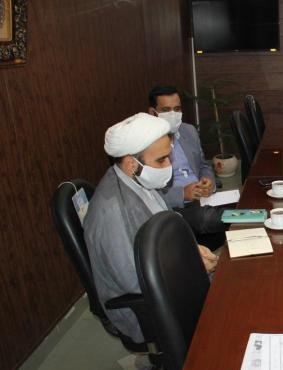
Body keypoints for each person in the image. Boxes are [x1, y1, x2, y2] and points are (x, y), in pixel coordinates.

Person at [83, 113, 218, 343]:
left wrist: (191, 250)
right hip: (149, 308)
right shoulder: (113, 212)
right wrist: (192, 267)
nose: (169, 166)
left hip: (168, 279)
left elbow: (164, 226)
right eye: (162, 160)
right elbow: (135, 281)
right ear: (131, 164)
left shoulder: (139, 179)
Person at [148, 86, 227, 250]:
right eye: (166, 110)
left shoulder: (189, 131)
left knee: (237, 206)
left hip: (204, 196)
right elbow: (148, 192)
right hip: (178, 205)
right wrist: (183, 193)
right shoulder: (146, 145)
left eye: (177, 109)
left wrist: (208, 180)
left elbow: (203, 165)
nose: (173, 114)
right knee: (210, 219)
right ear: (153, 112)